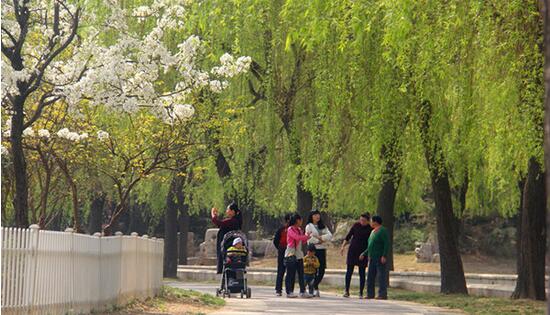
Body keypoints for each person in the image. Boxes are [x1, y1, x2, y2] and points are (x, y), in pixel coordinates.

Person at [340, 213, 372, 298]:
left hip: (363, 252)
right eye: (361, 220)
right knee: (349, 271)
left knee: (362, 272)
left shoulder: (370, 229)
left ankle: (361, 292)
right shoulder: (356, 225)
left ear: (368, 221)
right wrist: (343, 246)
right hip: (353, 251)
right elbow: (348, 237)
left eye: (364, 221)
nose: (362, 222)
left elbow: (371, 243)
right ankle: (346, 290)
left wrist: (367, 254)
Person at [285, 213, 314, 298]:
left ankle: (302, 291)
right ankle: (289, 291)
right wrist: (305, 237)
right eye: (300, 220)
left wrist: (307, 237)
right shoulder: (290, 229)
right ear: (297, 220)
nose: (301, 221)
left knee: (301, 273)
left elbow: (302, 241)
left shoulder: (299, 230)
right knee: (290, 273)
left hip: (299, 253)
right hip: (291, 253)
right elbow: (297, 238)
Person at [360, 215, 389, 300]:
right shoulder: (372, 232)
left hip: (379, 257)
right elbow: (370, 245)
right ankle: (370, 293)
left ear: (375, 222)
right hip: (372, 257)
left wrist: (384, 255)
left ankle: (382, 294)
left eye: (372, 221)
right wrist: (364, 253)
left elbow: (386, 244)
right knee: (370, 276)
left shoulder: (383, 231)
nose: (370, 223)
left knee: (381, 276)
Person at [305, 209, 332, 297]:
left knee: (322, 269)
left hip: (322, 249)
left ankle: (313, 284)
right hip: (314, 250)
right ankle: (314, 288)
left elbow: (329, 235)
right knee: (314, 269)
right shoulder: (309, 226)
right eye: (315, 215)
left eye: (318, 214)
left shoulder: (323, 226)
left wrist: (320, 238)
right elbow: (310, 239)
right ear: (311, 216)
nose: (317, 216)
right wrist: (320, 240)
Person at [211, 203, 242, 274]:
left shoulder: (232, 221)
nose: (226, 211)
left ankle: (221, 269)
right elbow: (222, 225)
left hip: (226, 243)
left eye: (228, 209)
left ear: (232, 211)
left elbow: (218, 223)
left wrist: (213, 214)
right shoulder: (234, 220)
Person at [273, 213, 291, 296]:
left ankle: (290, 289)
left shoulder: (294, 229)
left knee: (290, 270)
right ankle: (278, 289)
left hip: (291, 250)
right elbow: (275, 241)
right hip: (282, 250)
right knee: (281, 270)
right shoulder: (281, 230)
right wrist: (280, 248)